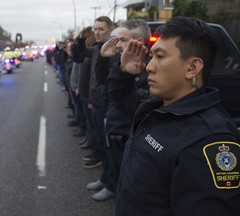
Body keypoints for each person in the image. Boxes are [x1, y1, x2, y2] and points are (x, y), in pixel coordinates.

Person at [115, 16, 240, 215]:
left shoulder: (208, 140)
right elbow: (119, 99)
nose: (148, 66)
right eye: (151, 56)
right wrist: (123, 72)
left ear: (192, 68)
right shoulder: (156, 107)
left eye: (160, 57)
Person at [99, 19, 151, 192]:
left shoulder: (146, 69)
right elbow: (104, 84)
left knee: (129, 185)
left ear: (139, 43)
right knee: (118, 177)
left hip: (128, 137)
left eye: (122, 40)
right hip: (115, 131)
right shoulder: (120, 62)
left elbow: (122, 100)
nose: (117, 44)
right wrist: (104, 58)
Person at [76, 16, 115, 201]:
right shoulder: (97, 48)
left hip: (105, 106)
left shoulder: (112, 50)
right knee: (101, 144)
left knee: (109, 148)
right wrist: (82, 38)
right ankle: (105, 179)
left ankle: (111, 185)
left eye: (101, 29)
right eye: (95, 29)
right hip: (95, 103)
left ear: (110, 30)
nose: (97, 32)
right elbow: (79, 54)